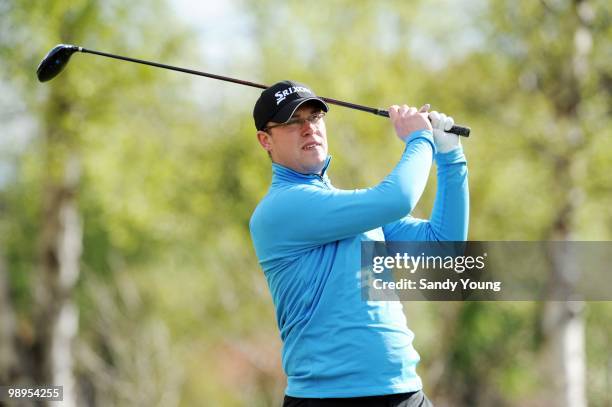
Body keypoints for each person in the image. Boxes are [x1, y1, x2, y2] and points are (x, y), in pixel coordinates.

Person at [249, 80, 469, 407]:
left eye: (315, 118)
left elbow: (443, 246)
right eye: (293, 122)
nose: (309, 129)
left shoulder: (349, 207)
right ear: (265, 140)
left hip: (404, 392)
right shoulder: (280, 208)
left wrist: (451, 157)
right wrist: (420, 138)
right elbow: (398, 199)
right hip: (329, 398)